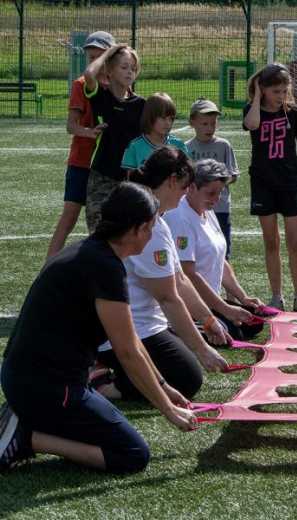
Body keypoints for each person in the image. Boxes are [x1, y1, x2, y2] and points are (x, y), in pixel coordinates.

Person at [0, 183, 198, 474]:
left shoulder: (92, 251)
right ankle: (26, 437)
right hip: (47, 387)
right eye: (153, 226)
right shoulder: (104, 267)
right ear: (140, 229)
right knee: (133, 454)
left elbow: (131, 339)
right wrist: (168, 410)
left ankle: (28, 418)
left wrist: (163, 387)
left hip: (32, 379)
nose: (154, 234)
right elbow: (127, 353)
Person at [93, 146, 230, 402]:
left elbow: (180, 280)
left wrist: (208, 320)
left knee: (185, 357)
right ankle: (103, 381)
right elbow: (168, 297)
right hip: (128, 329)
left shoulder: (158, 219)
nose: (185, 194)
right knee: (186, 378)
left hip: (143, 323)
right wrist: (202, 349)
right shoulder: (150, 225)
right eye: (184, 186)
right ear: (172, 181)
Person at [164, 159, 265, 341]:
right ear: (192, 187)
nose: (217, 199)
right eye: (211, 193)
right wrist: (225, 309)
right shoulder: (180, 218)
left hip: (208, 301)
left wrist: (242, 297)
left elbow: (221, 259)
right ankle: (172, 327)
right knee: (234, 333)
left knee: (254, 322)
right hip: (188, 303)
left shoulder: (206, 209)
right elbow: (188, 274)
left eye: (220, 193)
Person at [243, 63, 297, 312]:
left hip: (290, 183)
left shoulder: (293, 112)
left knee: (294, 241)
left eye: (284, 91)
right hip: (263, 184)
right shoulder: (251, 110)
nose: (281, 96)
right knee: (271, 241)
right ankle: (276, 296)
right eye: (275, 91)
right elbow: (252, 125)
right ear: (263, 88)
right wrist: (257, 96)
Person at [45, 31, 114, 262]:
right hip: (82, 163)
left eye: (98, 55)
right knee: (69, 218)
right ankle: (48, 268)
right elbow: (71, 126)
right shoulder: (81, 84)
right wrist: (90, 133)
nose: (93, 60)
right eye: (90, 56)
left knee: (107, 222)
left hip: (108, 165)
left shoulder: (120, 85)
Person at [84, 44, 145, 233]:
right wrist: (109, 53)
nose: (129, 72)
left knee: (127, 233)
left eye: (133, 68)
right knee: (98, 232)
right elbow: (89, 74)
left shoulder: (141, 104)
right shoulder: (102, 98)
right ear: (109, 70)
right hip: (102, 175)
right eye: (124, 67)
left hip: (130, 179)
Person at [186, 98, 239, 262]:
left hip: (219, 207)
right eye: (204, 124)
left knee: (222, 252)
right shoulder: (187, 148)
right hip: (194, 208)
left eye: (213, 123)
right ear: (192, 123)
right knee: (196, 253)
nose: (210, 128)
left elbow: (233, 175)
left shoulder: (223, 145)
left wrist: (213, 184)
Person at [121, 92, 189, 173]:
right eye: (163, 118)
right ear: (150, 116)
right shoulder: (134, 147)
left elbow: (187, 174)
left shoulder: (178, 145)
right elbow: (131, 179)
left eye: (171, 118)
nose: (168, 123)